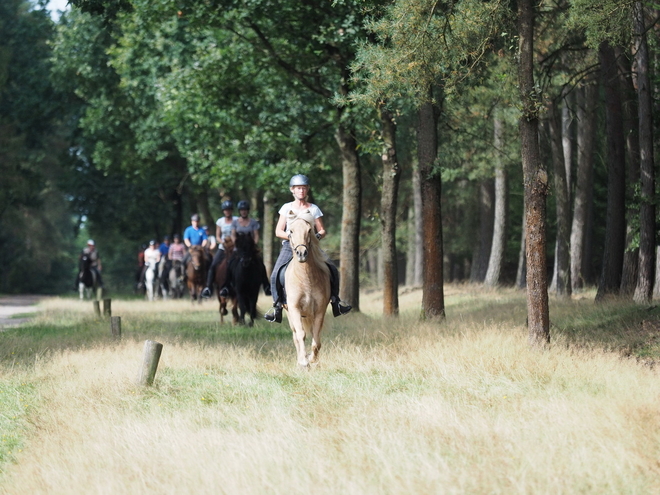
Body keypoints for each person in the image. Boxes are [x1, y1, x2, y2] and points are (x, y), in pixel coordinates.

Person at [264, 174, 351, 323]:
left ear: (307, 190)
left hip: (310, 246)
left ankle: (336, 302)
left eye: (304, 188)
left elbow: (322, 230)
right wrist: (292, 238)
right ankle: (277, 306)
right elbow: (278, 231)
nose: (301, 191)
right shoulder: (286, 208)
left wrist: (315, 238)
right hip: (289, 246)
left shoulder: (314, 209)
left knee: (331, 268)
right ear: (292, 190)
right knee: (274, 275)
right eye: (298, 188)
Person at [215, 200, 270, 299]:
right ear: (239, 211)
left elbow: (256, 235)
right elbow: (233, 234)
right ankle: (226, 287)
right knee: (230, 263)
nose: (243, 212)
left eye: (245, 210)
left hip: (250, 248)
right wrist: (237, 245)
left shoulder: (253, 222)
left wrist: (253, 244)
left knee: (260, 262)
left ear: (248, 211)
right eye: (242, 210)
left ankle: (266, 286)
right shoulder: (235, 222)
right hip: (239, 248)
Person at [201, 201, 237, 298]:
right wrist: (223, 243)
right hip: (223, 247)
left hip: (234, 248)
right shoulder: (220, 221)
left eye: (229, 210)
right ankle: (208, 288)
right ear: (223, 211)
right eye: (225, 210)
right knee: (213, 265)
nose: (227, 212)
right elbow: (218, 237)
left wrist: (233, 243)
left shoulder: (236, 220)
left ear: (231, 210)